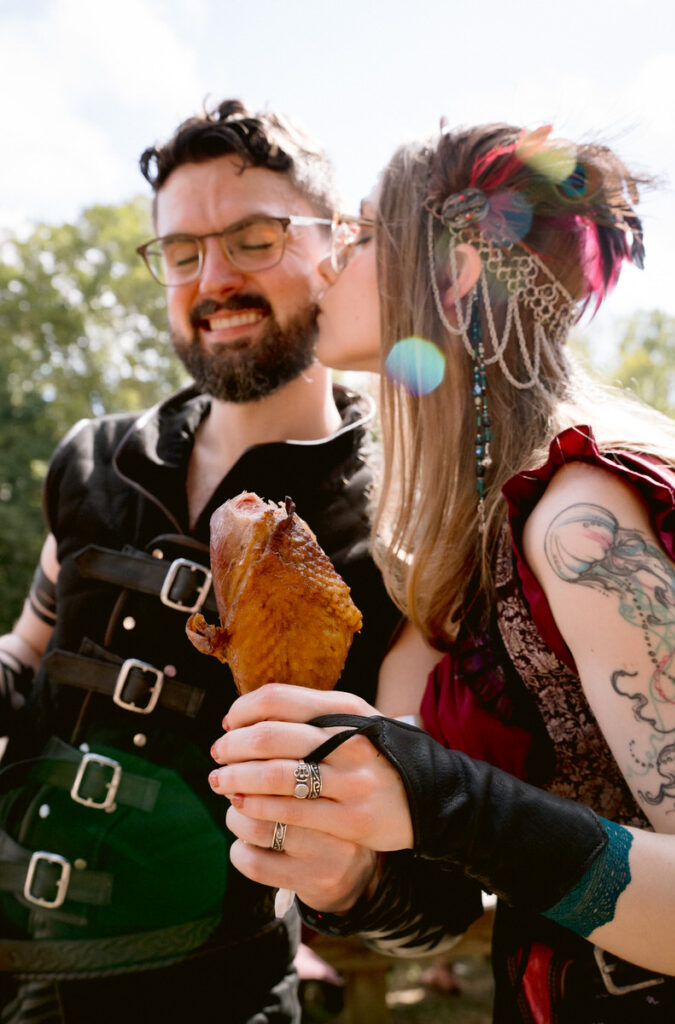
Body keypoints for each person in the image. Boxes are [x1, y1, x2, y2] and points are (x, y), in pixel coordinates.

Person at [208, 123, 675, 1021]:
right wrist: (340, 858)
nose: (320, 266)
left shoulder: (580, 523)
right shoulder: (448, 557)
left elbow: (449, 803)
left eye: (353, 238)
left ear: (456, 271)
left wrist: (437, 798)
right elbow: (432, 879)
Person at [0, 99, 407, 1023]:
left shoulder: (404, 508)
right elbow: (28, 648)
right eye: (181, 253)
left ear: (337, 243)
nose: (212, 277)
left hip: (222, 992)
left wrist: (351, 872)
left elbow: (421, 826)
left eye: (254, 239)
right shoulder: (93, 456)